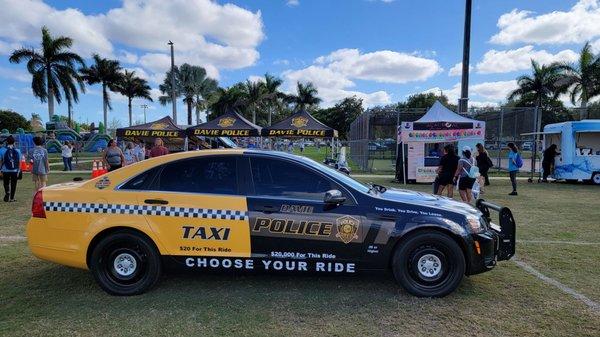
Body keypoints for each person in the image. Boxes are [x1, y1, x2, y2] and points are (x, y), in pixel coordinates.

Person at [0, 136, 22, 202]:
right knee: (14, 183)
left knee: (6, 183)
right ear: (14, 142)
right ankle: (12, 198)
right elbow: (19, 162)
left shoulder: (2, 150)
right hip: (15, 170)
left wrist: (0, 169)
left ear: (6, 142)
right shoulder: (18, 150)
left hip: (5, 169)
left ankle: (7, 192)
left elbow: (0, 161)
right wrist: (19, 170)